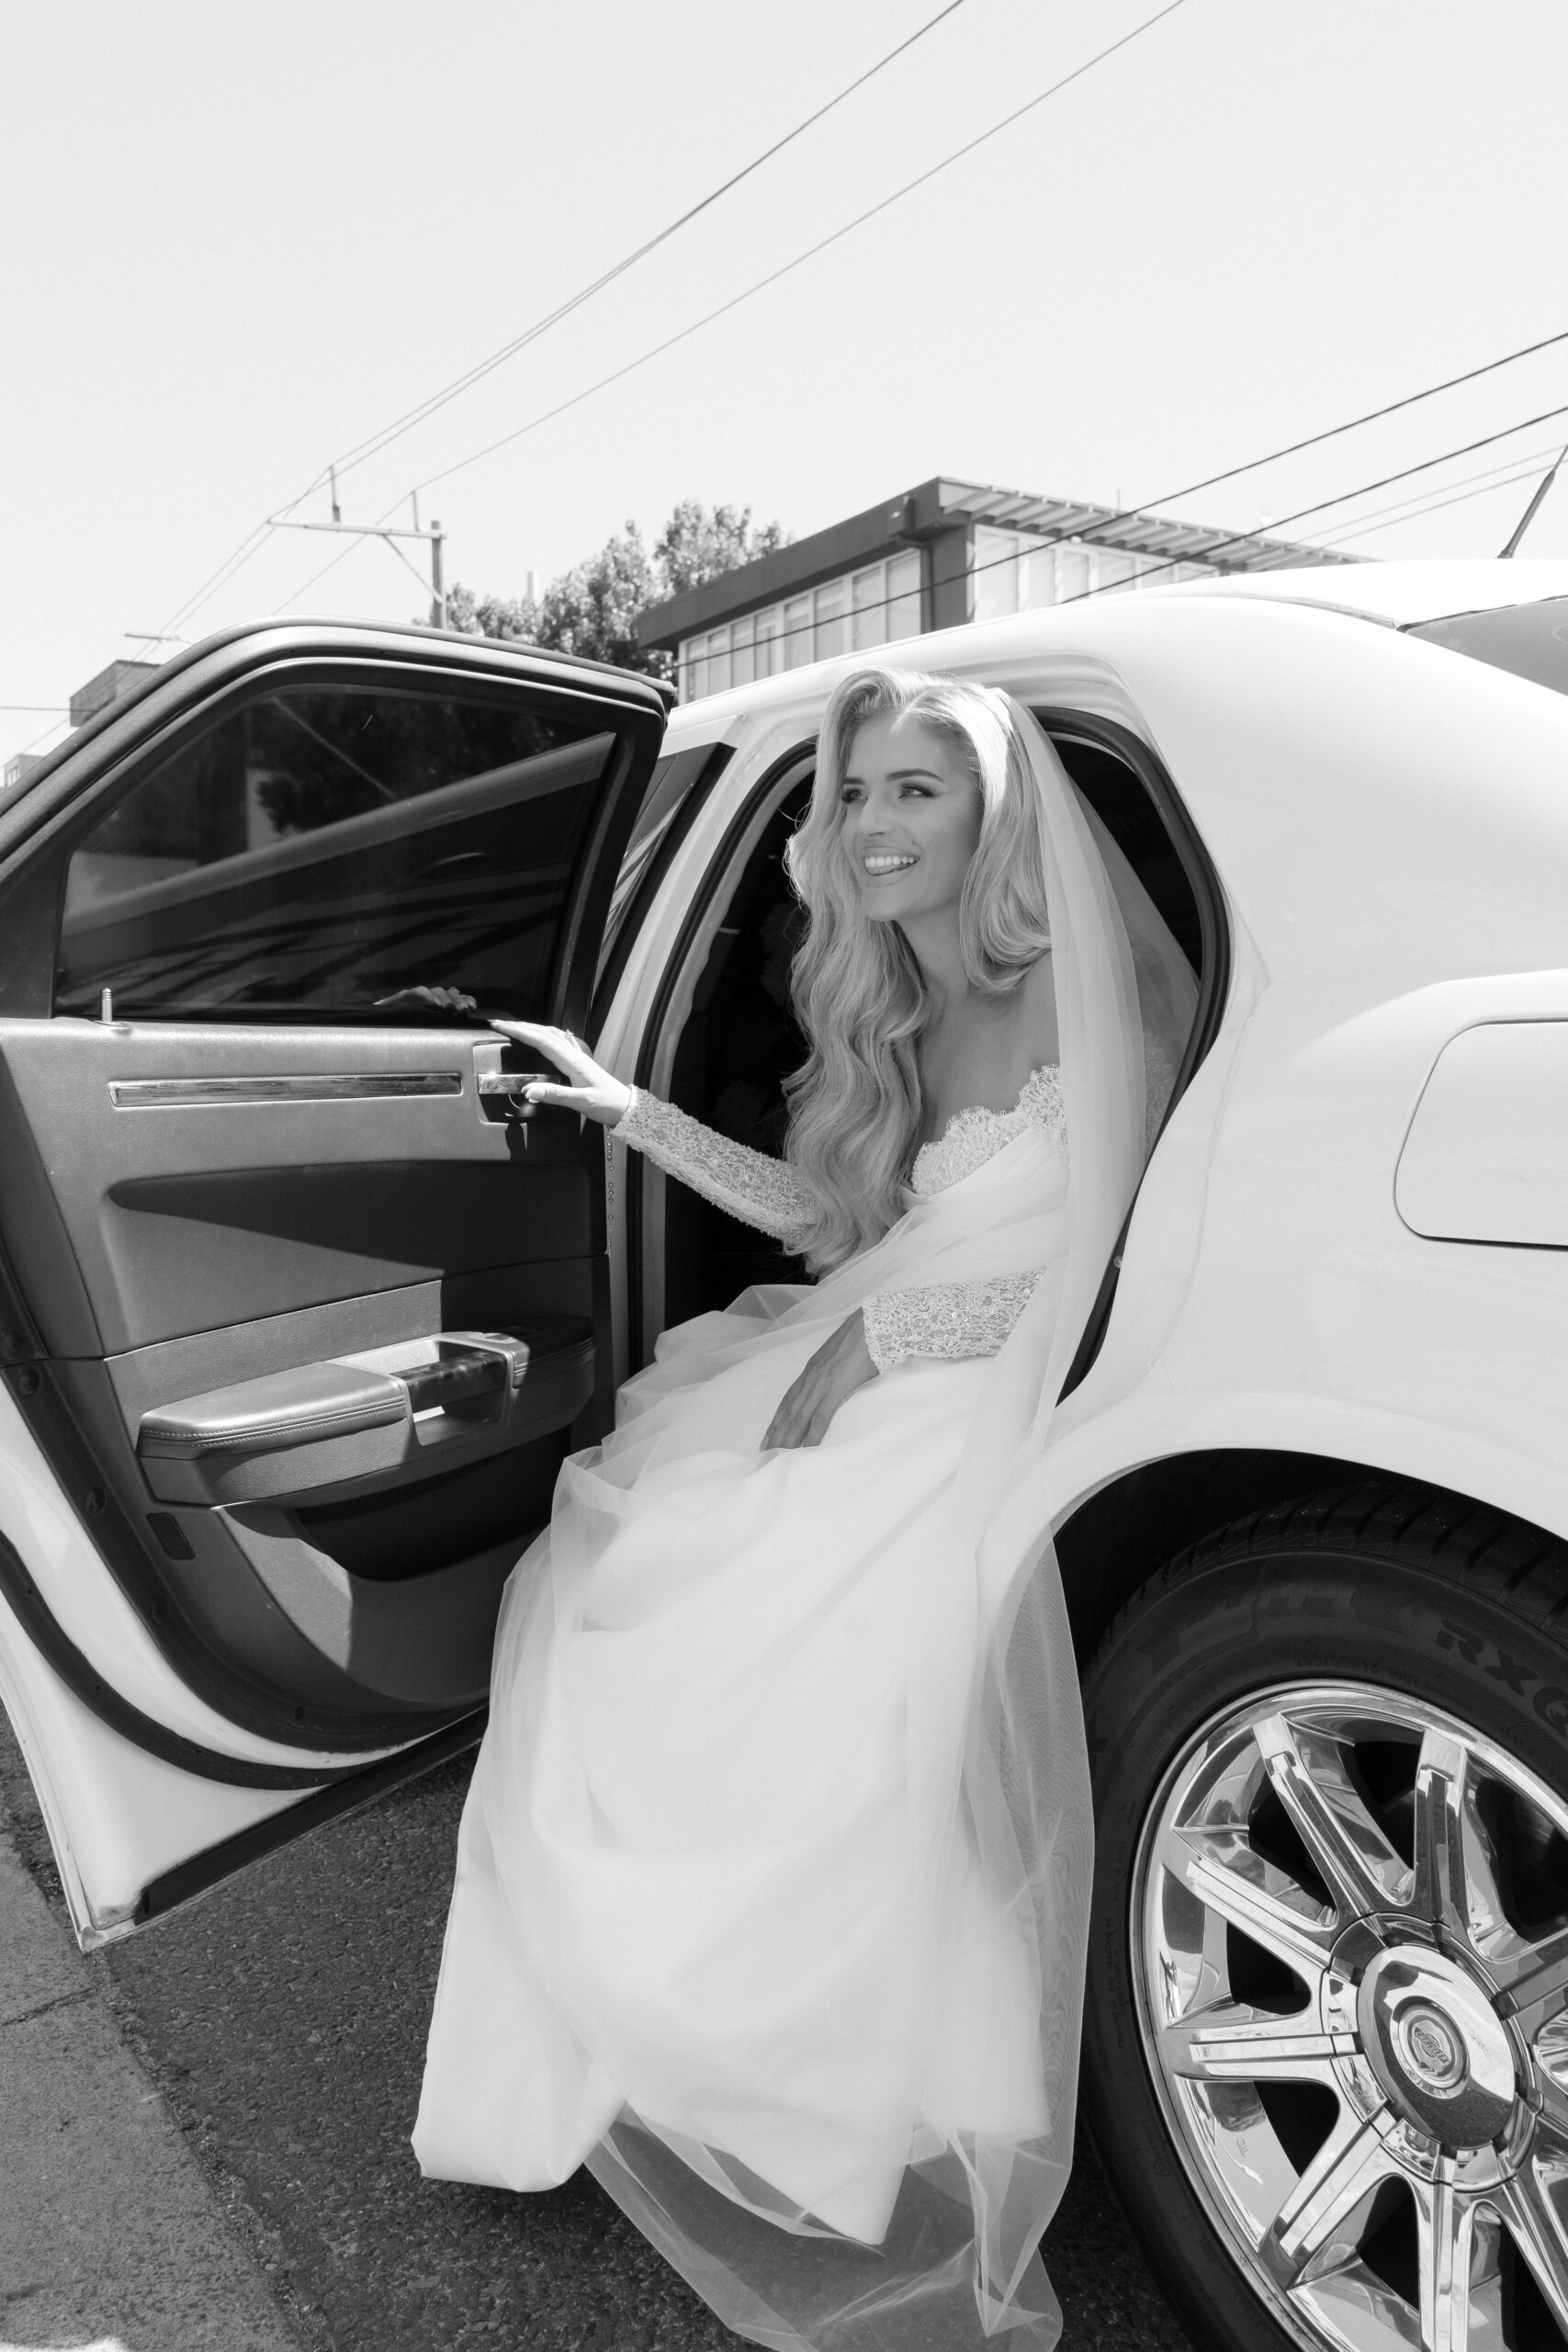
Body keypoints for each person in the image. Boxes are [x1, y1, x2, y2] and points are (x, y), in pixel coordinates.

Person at [414, 665, 1193, 2350]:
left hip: (1019, 1370)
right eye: (852, 796)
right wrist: (629, 1116)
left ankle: (834, 2078)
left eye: (917, 789)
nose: (875, 824)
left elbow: (1135, 1254)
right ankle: (680, 2044)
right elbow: (829, 1224)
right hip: (880, 1337)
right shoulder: (891, 1005)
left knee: (775, 1611)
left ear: (995, 812)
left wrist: (907, 1338)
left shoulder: (1088, 981)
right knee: (633, 1552)